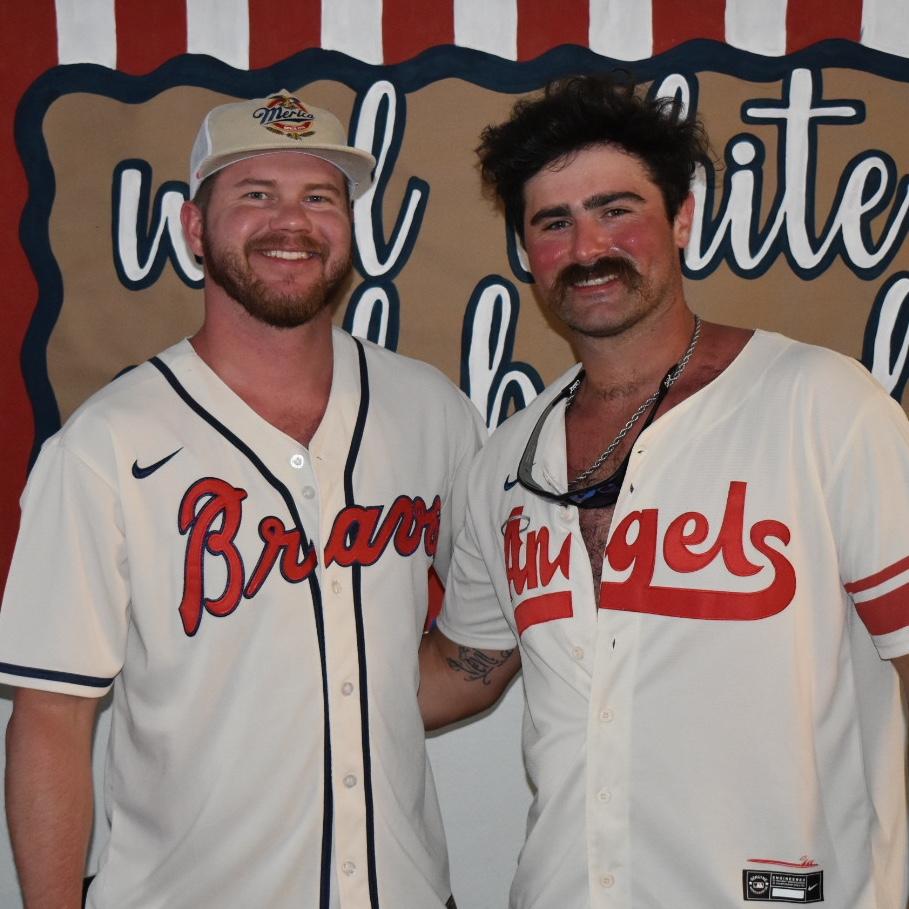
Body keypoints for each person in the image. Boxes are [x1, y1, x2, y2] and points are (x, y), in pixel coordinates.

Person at [419, 74, 909, 909]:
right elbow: (461, 668)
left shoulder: (823, 405)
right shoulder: (503, 461)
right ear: (525, 250)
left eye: (616, 210)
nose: (587, 248)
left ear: (681, 218)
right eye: (553, 222)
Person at [0, 88, 483, 909]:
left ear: (349, 228)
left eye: (320, 197)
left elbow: (483, 622)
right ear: (195, 228)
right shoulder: (107, 442)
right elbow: (51, 717)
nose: (290, 221)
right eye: (255, 193)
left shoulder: (428, 408)